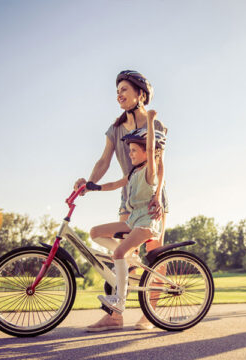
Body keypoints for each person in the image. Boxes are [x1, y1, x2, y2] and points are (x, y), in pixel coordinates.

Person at [75, 70, 167, 331]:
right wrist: (89, 184)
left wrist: (158, 195)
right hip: (128, 199)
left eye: (124, 89)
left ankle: (150, 315)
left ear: (140, 94)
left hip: (152, 198)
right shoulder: (115, 129)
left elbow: (160, 165)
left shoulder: (154, 126)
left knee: (154, 256)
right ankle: (114, 315)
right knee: (120, 256)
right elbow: (104, 160)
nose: (119, 94)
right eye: (117, 90)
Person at [88, 114, 166, 323]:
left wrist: (149, 121)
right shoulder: (132, 173)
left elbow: (151, 150)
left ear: (144, 153)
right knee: (95, 232)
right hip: (133, 221)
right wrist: (93, 187)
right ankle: (130, 259)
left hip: (146, 223)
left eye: (133, 150)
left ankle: (119, 301)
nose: (129, 154)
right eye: (129, 150)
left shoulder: (150, 172)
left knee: (119, 252)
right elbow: (114, 184)